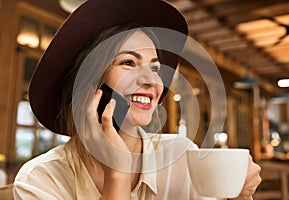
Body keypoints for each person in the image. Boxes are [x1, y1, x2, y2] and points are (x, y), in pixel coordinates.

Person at [13, 0, 261, 199]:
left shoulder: (180, 154)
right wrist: (118, 175)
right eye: (128, 63)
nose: (152, 81)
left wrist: (238, 195)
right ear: (88, 85)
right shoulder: (40, 179)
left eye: (154, 68)